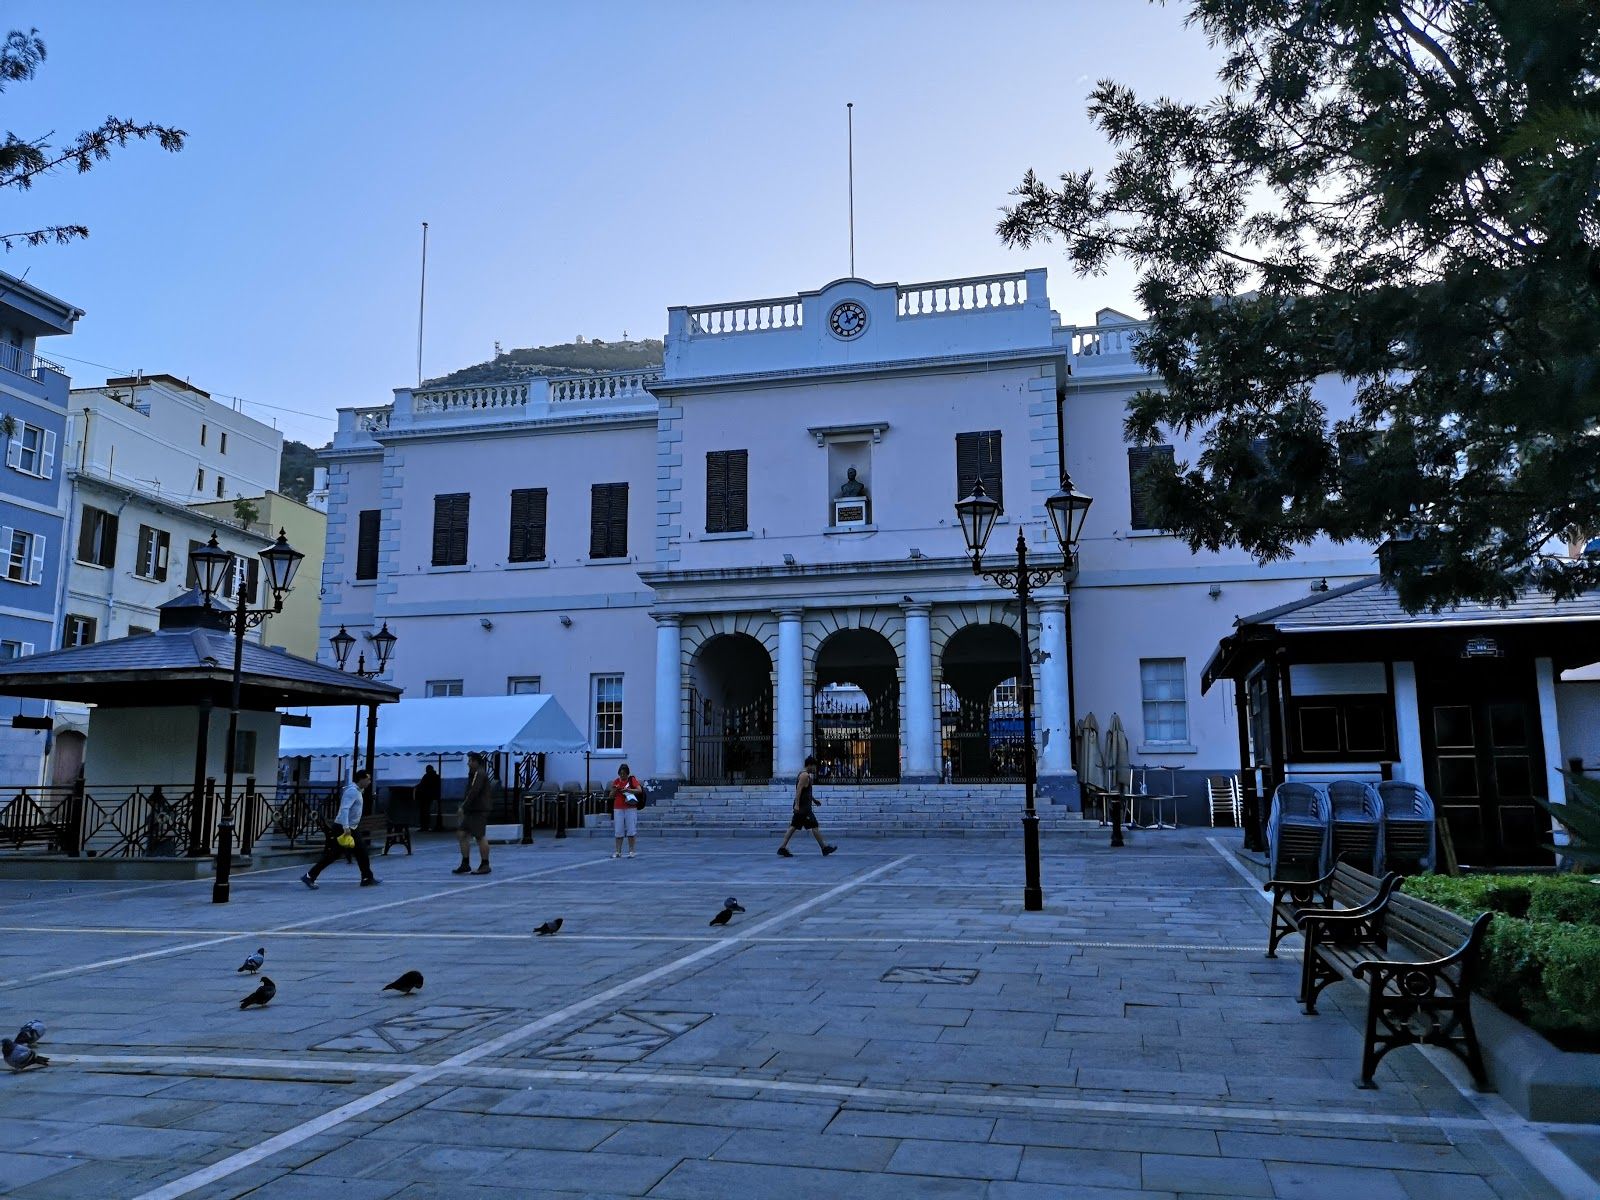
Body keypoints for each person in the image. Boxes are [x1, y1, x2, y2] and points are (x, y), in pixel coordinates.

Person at [303, 770, 379, 889]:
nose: (369, 782)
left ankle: (367, 877)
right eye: (368, 779)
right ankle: (309, 876)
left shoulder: (358, 791)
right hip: (344, 827)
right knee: (334, 854)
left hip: (351, 827)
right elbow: (344, 809)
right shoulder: (352, 792)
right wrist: (346, 827)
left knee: (361, 852)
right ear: (361, 779)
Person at [778, 755, 836, 858]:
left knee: (793, 827)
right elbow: (799, 790)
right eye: (814, 766)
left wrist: (814, 800)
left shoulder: (806, 775)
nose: (815, 769)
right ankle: (824, 848)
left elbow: (806, 791)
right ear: (809, 765)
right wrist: (797, 805)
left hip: (803, 808)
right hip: (803, 809)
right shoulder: (804, 776)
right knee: (814, 826)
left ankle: (782, 848)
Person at [454, 752, 492, 875]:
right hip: (472, 810)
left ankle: (485, 864)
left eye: (470, 761)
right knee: (462, 833)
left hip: (478, 810)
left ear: (476, 762)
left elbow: (474, 791)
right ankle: (465, 863)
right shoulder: (474, 773)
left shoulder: (479, 774)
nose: (468, 763)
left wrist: (463, 807)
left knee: (480, 836)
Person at [611, 762, 642, 859]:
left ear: (627, 773)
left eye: (624, 773)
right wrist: (615, 790)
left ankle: (631, 850)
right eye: (620, 773)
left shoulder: (632, 780)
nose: (622, 775)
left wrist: (628, 790)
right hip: (618, 807)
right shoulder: (616, 781)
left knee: (631, 830)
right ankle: (618, 851)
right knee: (618, 830)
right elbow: (611, 795)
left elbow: (639, 790)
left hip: (630, 807)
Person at [415, 765, 441, 833]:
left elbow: (421, 785)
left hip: (424, 797)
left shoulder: (427, 776)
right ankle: (426, 826)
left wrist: (416, 787)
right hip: (431, 796)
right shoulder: (436, 776)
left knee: (424, 812)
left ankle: (424, 826)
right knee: (426, 811)